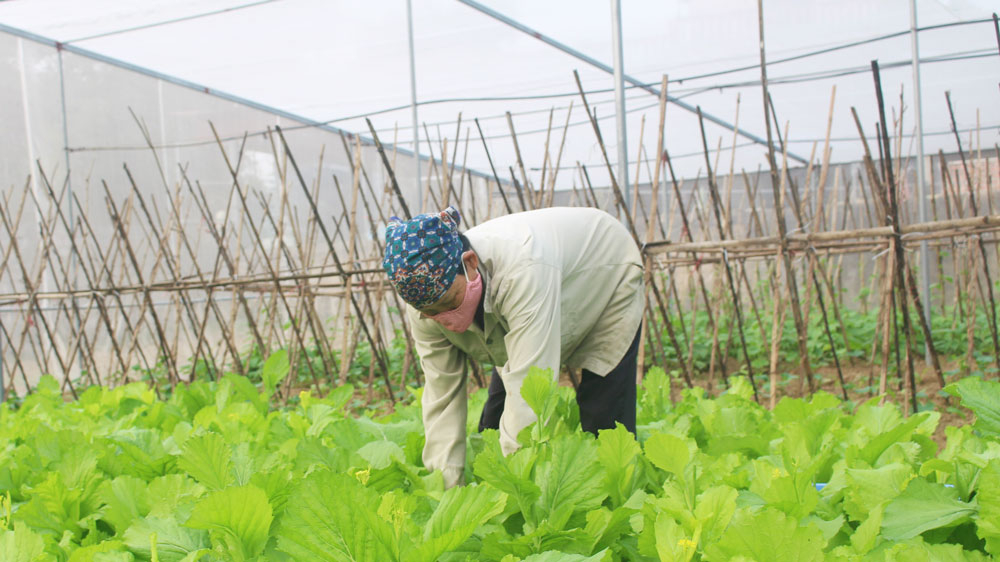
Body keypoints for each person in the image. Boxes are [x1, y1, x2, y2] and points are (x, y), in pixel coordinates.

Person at [383, 206, 643, 488]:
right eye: (431, 312)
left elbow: (528, 388)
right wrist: (444, 490)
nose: (444, 317)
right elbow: (441, 395)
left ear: (469, 262)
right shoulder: (422, 304)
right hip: (540, 283)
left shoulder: (524, 270)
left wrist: (512, 488)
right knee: (493, 426)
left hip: (604, 269)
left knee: (603, 414)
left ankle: (612, 499)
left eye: (448, 302)